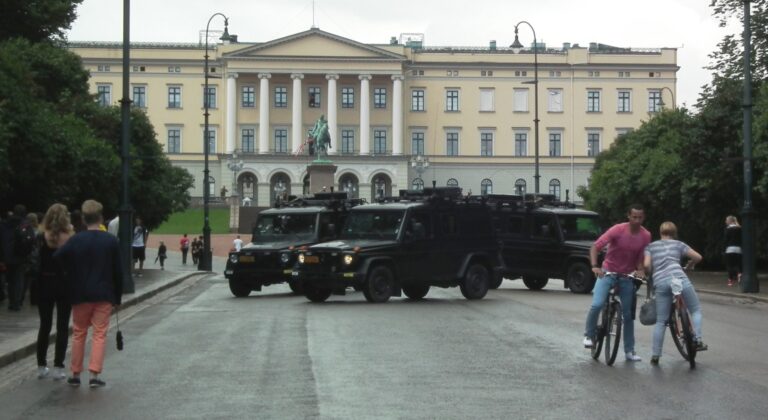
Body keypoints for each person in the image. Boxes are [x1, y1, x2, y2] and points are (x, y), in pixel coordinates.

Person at [54, 199, 123, 388]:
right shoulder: (110, 240)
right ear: (100, 218)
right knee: (99, 334)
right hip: (103, 292)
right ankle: (94, 374)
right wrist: (117, 296)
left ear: (83, 219)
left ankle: (75, 373)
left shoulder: (76, 239)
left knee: (79, 333)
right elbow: (118, 271)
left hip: (80, 292)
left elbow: (57, 257)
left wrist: (71, 274)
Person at [584, 204, 651, 362]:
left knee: (627, 315)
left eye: (640, 217)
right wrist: (595, 266)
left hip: (627, 275)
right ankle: (589, 335)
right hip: (608, 272)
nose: (637, 220)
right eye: (634, 217)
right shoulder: (618, 230)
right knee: (597, 304)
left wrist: (641, 270)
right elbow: (595, 247)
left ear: (643, 217)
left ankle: (629, 351)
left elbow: (640, 257)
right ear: (628, 216)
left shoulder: (646, 235)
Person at [644, 221, 707, 365]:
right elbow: (698, 257)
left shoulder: (651, 247)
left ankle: (655, 355)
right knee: (695, 310)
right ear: (675, 233)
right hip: (679, 278)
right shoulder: (679, 244)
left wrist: (649, 273)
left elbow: (647, 265)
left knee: (661, 321)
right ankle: (697, 339)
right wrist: (690, 265)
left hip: (660, 282)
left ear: (660, 232)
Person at [35, 204, 74, 380]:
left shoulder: (42, 236)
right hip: (64, 283)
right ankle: (59, 365)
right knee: (62, 326)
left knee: (45, 325)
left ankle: (41, 365)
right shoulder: (69, 237)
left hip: (43, 282)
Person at [724, 215, 742, 287]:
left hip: (730, 249)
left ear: (729, 221)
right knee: (738, 264)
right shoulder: (739, 228)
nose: (725, 221)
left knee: (730, 265)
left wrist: (724, 248)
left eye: (726, 220)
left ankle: (730, 281)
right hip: (738, 249)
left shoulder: (728, 229)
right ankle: (739, 274)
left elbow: (726, 240)